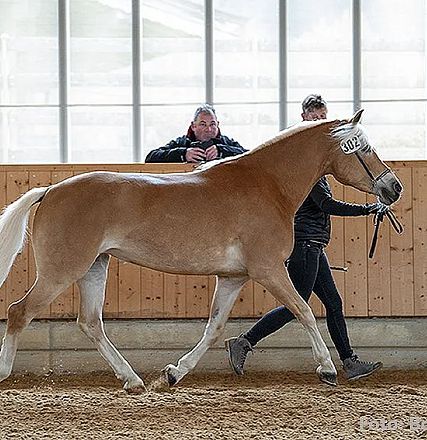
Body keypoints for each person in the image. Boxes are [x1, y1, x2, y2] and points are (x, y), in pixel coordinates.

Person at [225, 94, 385, 383]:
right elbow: (326, 205)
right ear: (303, 121)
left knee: (333, 303)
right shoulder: (300, 165)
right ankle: (244, 342)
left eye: (323, 118)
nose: (319, 124)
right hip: (305, 243)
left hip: (314, 244)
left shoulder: (316, 166)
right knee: (295, 306)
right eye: (314, 119)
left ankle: (349, 362)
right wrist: (367, 209)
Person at [145, 104, 247, 163]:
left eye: (212, 124)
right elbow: (150, 158)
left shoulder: (226, 142)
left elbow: (249, 156)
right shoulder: (182, 142)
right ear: (193, 126)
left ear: (218, 124)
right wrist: (183, 154)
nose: (209, 129)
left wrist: (222, 151)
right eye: (203, 124)